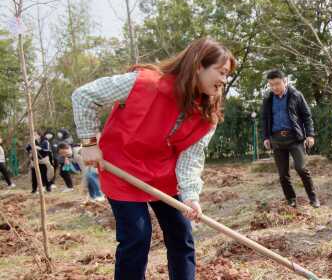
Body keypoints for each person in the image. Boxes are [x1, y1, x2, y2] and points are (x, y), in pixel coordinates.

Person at [73, 37, 235, 280]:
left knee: (182, 236)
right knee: (137, 238)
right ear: (199, 65)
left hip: (163, 176)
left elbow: (190, 160)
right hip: (123, 171)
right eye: (221, 72)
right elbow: (84, 96)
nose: (224, 80)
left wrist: (190, 197)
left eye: (227, 75)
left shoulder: (206, 116)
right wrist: (88, 143)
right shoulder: (144, 84)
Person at [261, 69, 319, 208]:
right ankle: (291, 200)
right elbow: (264, 119)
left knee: (301, 168)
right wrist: (266, 137)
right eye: (271, 85)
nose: (274, 87)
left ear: (284, 81)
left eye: (277, 83)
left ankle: (313, 198)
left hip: (295, 138)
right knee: (282, 174)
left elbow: (307, 116)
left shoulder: (296, 95)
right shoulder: (268, 99)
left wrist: (310, 135)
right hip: (276, 140)